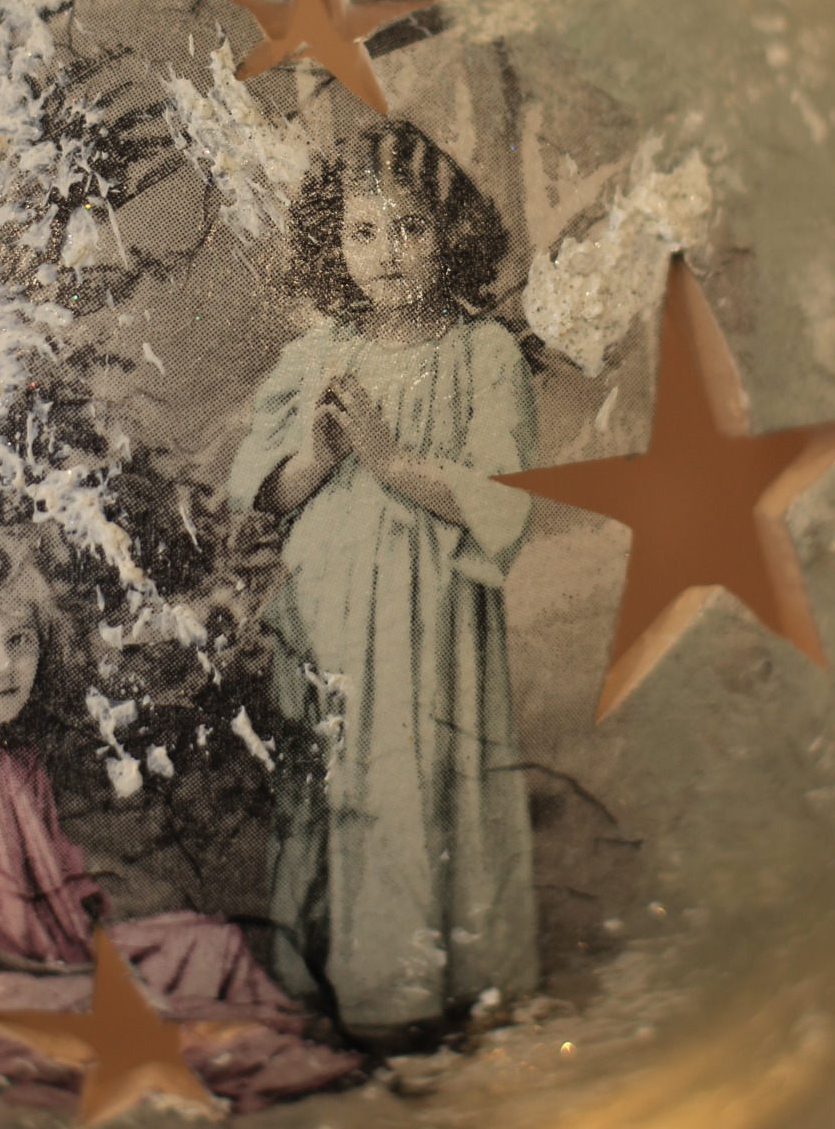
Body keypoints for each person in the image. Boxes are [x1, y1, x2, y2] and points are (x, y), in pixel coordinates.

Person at [0, 523, 358, 1111]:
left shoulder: (12, 757)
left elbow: (55, 898)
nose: (4, 667)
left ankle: (284, 1044)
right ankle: (278, 1063)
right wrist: (60, 976)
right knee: (141, 1024)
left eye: (19, 640)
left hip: (50, 963)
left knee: (209, 946)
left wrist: (96, 951)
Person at [228, 122, 539, 1040]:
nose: (388, 252)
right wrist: (320, 456)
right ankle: (330, 977)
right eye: (362, 232)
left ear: (450, 233)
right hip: (325, 602)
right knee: (335, 775)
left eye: (410, 227)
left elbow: (500, 495)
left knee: (411, 771)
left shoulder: (482, 353)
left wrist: (391, 460)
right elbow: (265, 491)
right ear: (334, 243)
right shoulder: (314, 355)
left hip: (427, 610)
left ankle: (418, 987)